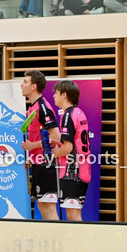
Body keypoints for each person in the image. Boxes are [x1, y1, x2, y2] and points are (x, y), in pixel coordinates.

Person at [19, 71, 63, 220]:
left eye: (25, 82)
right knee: (41, 205)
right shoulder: (31, 108)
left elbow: (55, 136)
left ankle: (58, 240)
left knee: (49, 208)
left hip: (47, 165)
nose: (21, 85)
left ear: (33, 86)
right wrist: (31, 157)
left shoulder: (43, 107)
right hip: (38, 164)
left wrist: (32, 146)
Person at [54, 79, 91, 222]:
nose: (54, 96)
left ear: (64, 95)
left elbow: (68, 148)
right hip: (82, 169)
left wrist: (56, 153)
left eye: (56, 93)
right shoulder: (79, 113)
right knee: (75, 214)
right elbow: (73, 143)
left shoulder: (68, 115)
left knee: (73, 216)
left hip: (72, 172)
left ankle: (79, 244)